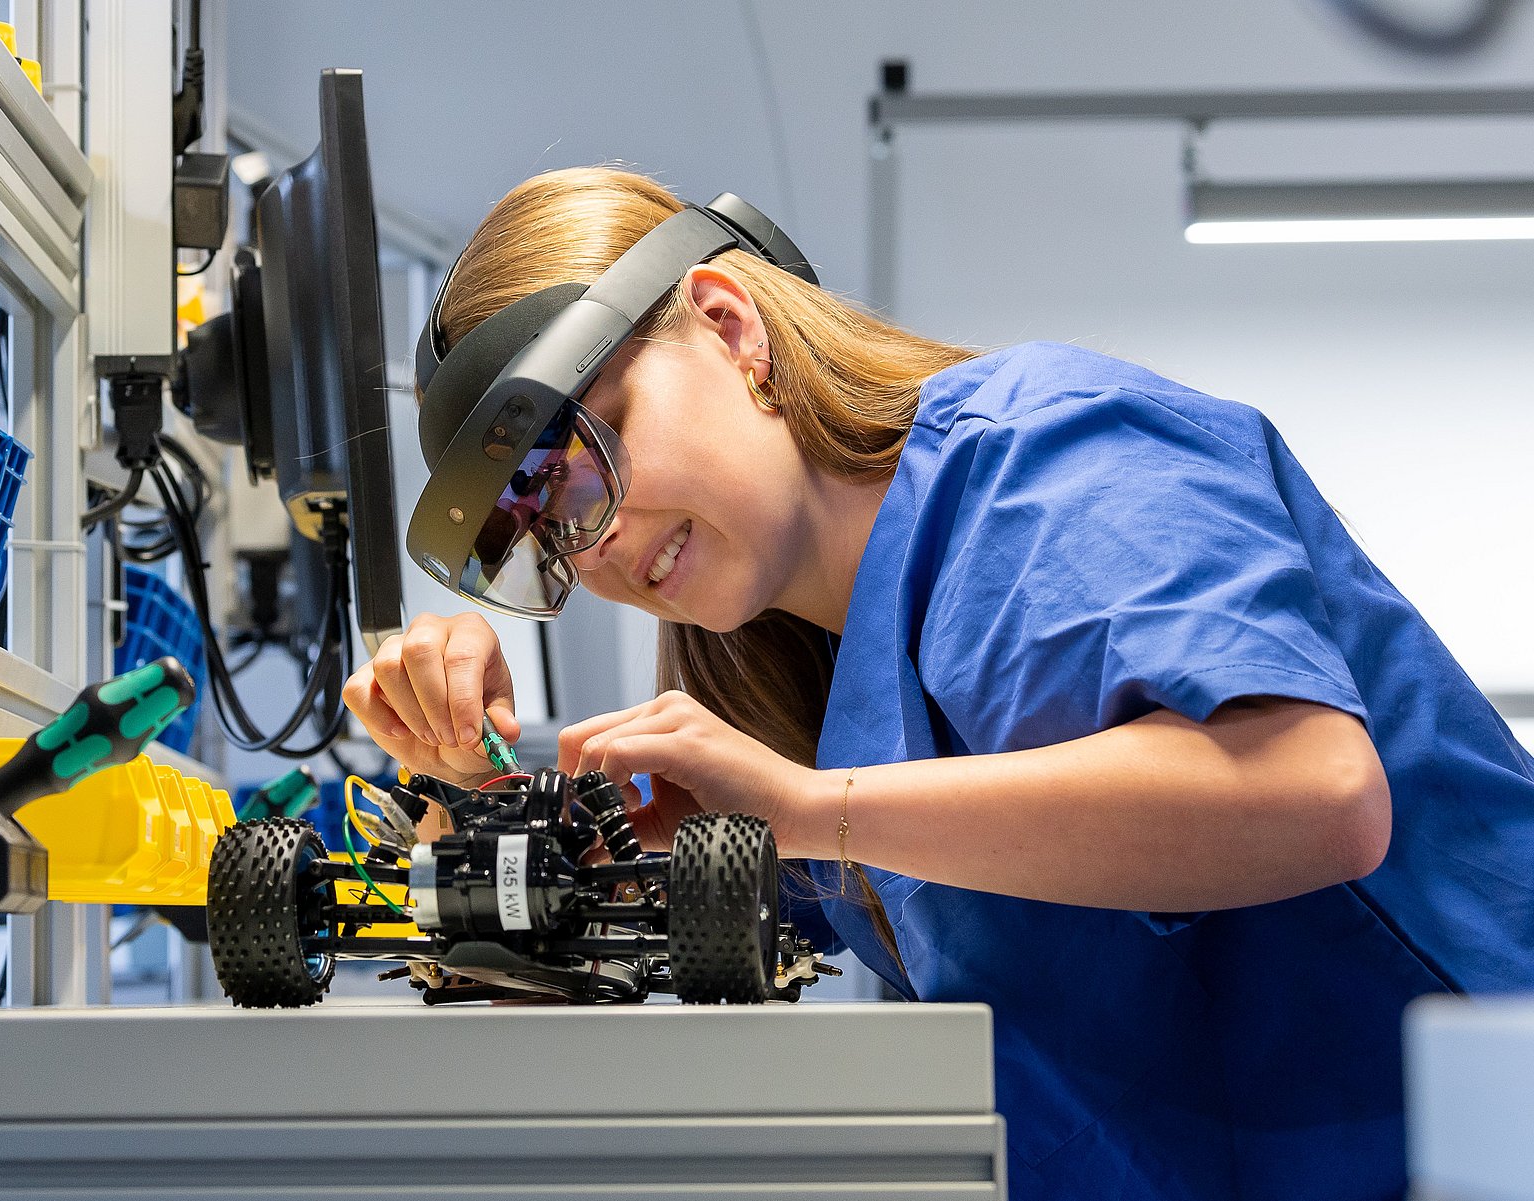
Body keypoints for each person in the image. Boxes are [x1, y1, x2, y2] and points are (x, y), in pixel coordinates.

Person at [340, 166, 1534, 1200]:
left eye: (584, 457)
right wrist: (470, 789)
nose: (590, 544)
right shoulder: (794, 688)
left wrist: (811, 809)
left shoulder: (1051, 459)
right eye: (543, 533)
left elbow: (1315, 793)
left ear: (729, 324)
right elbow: (546, 990)